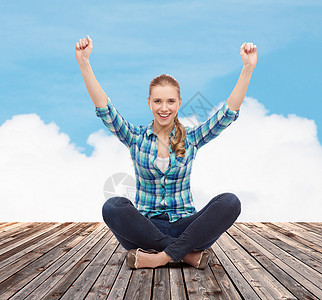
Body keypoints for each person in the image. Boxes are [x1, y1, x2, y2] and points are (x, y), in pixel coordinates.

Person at [75, 35, 257, 269]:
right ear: (149, 103)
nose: (164, 108)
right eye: (158, 101)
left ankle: (159, 257)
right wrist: (84, 62)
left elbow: (227, 114)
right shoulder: (135, 137)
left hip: (188, 228)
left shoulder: (191, 138)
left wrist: (247, 68)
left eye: (170, 101)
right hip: (145, 228)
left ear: (179, 103)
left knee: (230, 202)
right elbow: (105, 110)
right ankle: (186, 254)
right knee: (112, 206)